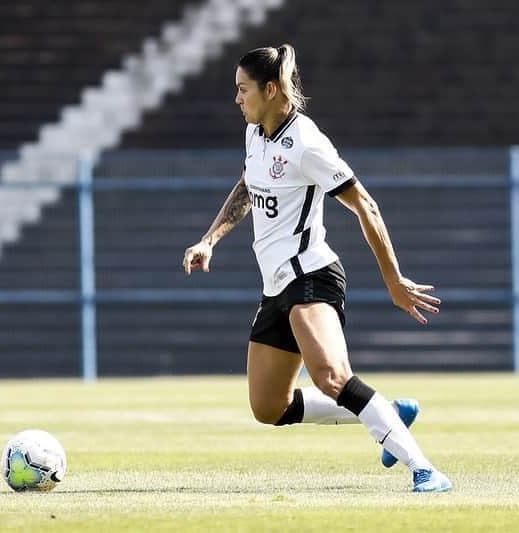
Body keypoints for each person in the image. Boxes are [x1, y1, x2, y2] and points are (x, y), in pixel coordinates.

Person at [182, 44, 452, 492]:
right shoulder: (256, 134)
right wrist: (209, 239)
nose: (237, 99)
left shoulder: (307, 143)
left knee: (331, 377)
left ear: (271, 90)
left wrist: (393, 280)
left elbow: (365, 204)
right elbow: (250, 182)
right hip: (276, 288)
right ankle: (385, 411)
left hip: (311, 277)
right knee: (269, 407)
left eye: (242, 89)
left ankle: (425, 469)